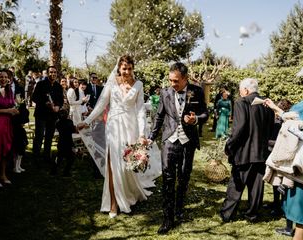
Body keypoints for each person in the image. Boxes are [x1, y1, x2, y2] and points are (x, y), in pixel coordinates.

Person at [78, 55, 161, 218]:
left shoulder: (138, 85)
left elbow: (140, 110)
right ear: (119, 68)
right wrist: (87, 121)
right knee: (112, 164)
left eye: (130, 68)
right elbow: (101, 105)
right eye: (124, 68)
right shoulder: (112, 83)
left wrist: (142, 134)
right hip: (114, 127)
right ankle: (114, 203)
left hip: (131, 127)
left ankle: (130, 192)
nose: (127, 72)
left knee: (126, 164)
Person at [148, 62, 208, 234]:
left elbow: (205, 113)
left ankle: (179, 207)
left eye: (176, 81)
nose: (172, 84)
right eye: (170, 81)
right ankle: (168, 219)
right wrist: (151, 137)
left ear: (185, 79)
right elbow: (159, 117)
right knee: (167, 179)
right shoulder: (165, 92)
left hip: (187, 141)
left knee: (183, 177)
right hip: (169, 140)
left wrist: (196, 119)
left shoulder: (196, 91)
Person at [220, 78, 274, 222]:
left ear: (246, 90)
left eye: (240, 89)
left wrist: (229, 146)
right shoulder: (267, 104)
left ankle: (227, 214)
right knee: (257, 185)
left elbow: (239, 128)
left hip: (243, 151)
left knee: (236, 185)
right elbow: (270, 128)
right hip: (261, 151)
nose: (239, 92)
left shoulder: (241, 102)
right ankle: (253, 214)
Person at [264, 98, 303, 240]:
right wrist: (274, 107)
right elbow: (289, 117)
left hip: (299, 166)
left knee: (299, 210)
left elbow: (291, 120)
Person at [32, 66, 64, 164]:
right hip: (41, 114)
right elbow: (34, 98)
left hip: (52, 115)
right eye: (51, 72)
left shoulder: (58, 86)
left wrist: (58, 106)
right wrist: (45, 103)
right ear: (47, 73)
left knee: (49, 137)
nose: (53, 74)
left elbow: (61, 100)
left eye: (54, 72)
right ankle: (36, 157)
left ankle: (46, 156)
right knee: (39, 136)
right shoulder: (40, 84)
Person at [50, 109, 77, 177]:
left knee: (59, 157)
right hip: (68, 142)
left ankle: (54, 171)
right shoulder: (69, 122)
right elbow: (73, 130)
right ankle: (66, 172)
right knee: (71, 158)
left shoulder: (58, 123)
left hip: (61, 142)